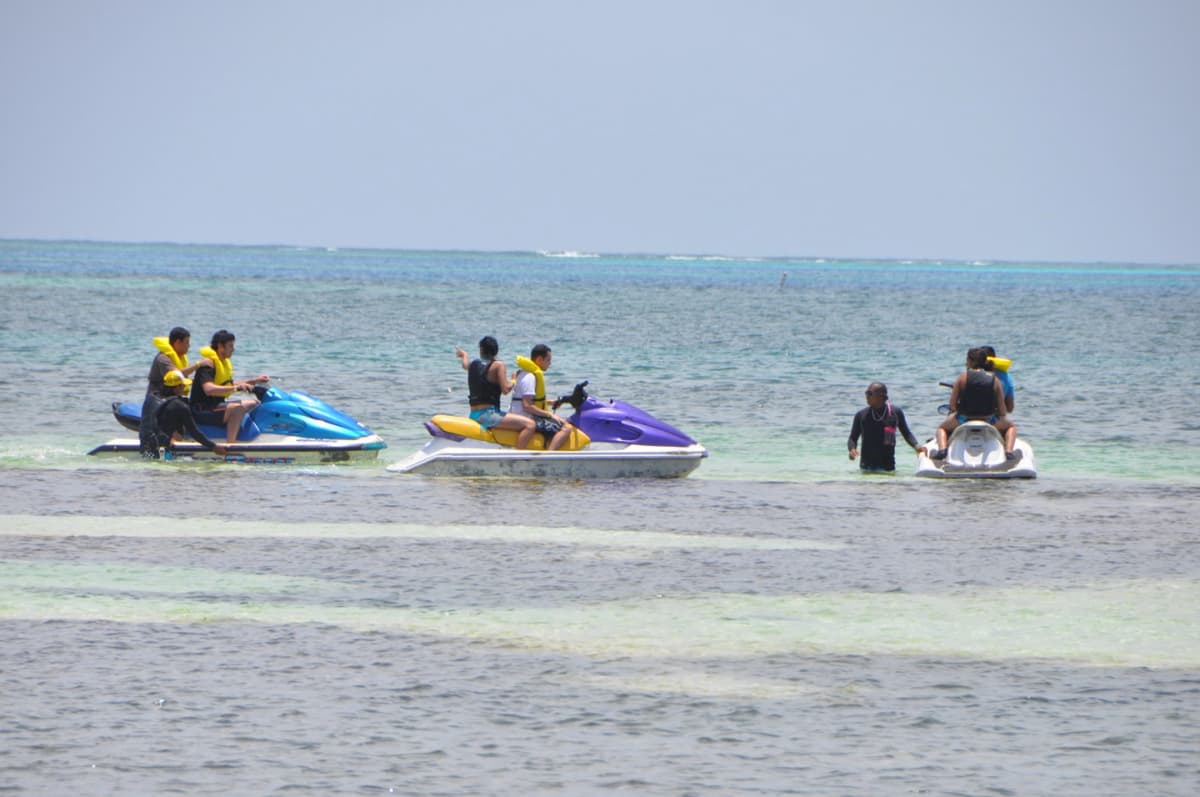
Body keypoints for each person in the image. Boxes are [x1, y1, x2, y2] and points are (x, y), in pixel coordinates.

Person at [933, 347, 1018, 459]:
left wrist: (956, 411)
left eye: (967, 360)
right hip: (989, 419)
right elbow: (1002, 410)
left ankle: (942, 450)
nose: (966, 362)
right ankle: (1009, 452)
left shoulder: (962, 377)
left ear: (972, 361)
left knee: (941, 428)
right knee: (1011, 427)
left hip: (964, 419)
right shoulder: (995, 380)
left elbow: (952, 404)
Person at [189, 329, 269, 444]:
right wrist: (236, 388)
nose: (233, 349)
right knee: (238, 408)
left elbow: (229, 385)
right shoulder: (208, 365)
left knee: (253, 403)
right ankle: (230, 445)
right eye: (230, 346)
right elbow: (209, 389)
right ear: (221, 347)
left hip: (215, 407)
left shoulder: (223, 363)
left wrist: (253, 381)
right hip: (202, 409)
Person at [455, 335, 536, 449]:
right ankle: (516, 457)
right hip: (488, 415)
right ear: (496, 352)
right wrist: (513, 380)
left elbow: (465, 365)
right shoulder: (498, 365)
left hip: (474, 414)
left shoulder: (473, 364)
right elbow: (505, 389)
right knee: (530, 425)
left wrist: (464, 355)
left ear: (481, 350)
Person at [509, 343, 574, 450]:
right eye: (548, 360)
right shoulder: (530, 377)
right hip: (525, 417)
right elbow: (527, 406)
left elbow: (527, 400)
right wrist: (549, 415)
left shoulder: (523, 373)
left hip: (520, 413)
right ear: (539, 360)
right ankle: (550, 455)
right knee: (566, 427)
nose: (550, 363)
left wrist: (549, 403)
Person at [848, 382, 925, 472]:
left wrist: (916, 446)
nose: (866, 396)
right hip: (866, 467)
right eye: (866, 393)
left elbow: (906, 433)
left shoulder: (895, 413)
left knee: (888, 486)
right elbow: (853, 438)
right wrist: (852, 449)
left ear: (881, 396)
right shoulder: (861, 415)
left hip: (887, 467)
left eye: (870, 393)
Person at [140, 387, 228, 459]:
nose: (185, 388)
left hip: (145, 443)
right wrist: (213, 447)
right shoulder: (181, 406)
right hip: (162, 448)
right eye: (182, 386)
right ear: (176, 388)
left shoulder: (151, 398)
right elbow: (194, 432)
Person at [146, 326, 202, 400]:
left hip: (171, 398)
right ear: (178, 342)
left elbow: (182, 380)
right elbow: (177, 375)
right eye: (187, 342)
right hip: (157, 399)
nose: (189, 346)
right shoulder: (163, 358)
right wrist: (198, 365)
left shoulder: (179, 357)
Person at [982, 345, 1015, 414]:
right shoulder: (1007, 377)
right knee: (1011, 425)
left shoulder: (973, 375)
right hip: (997, 417)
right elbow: (1010, 408)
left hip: (972, 415)